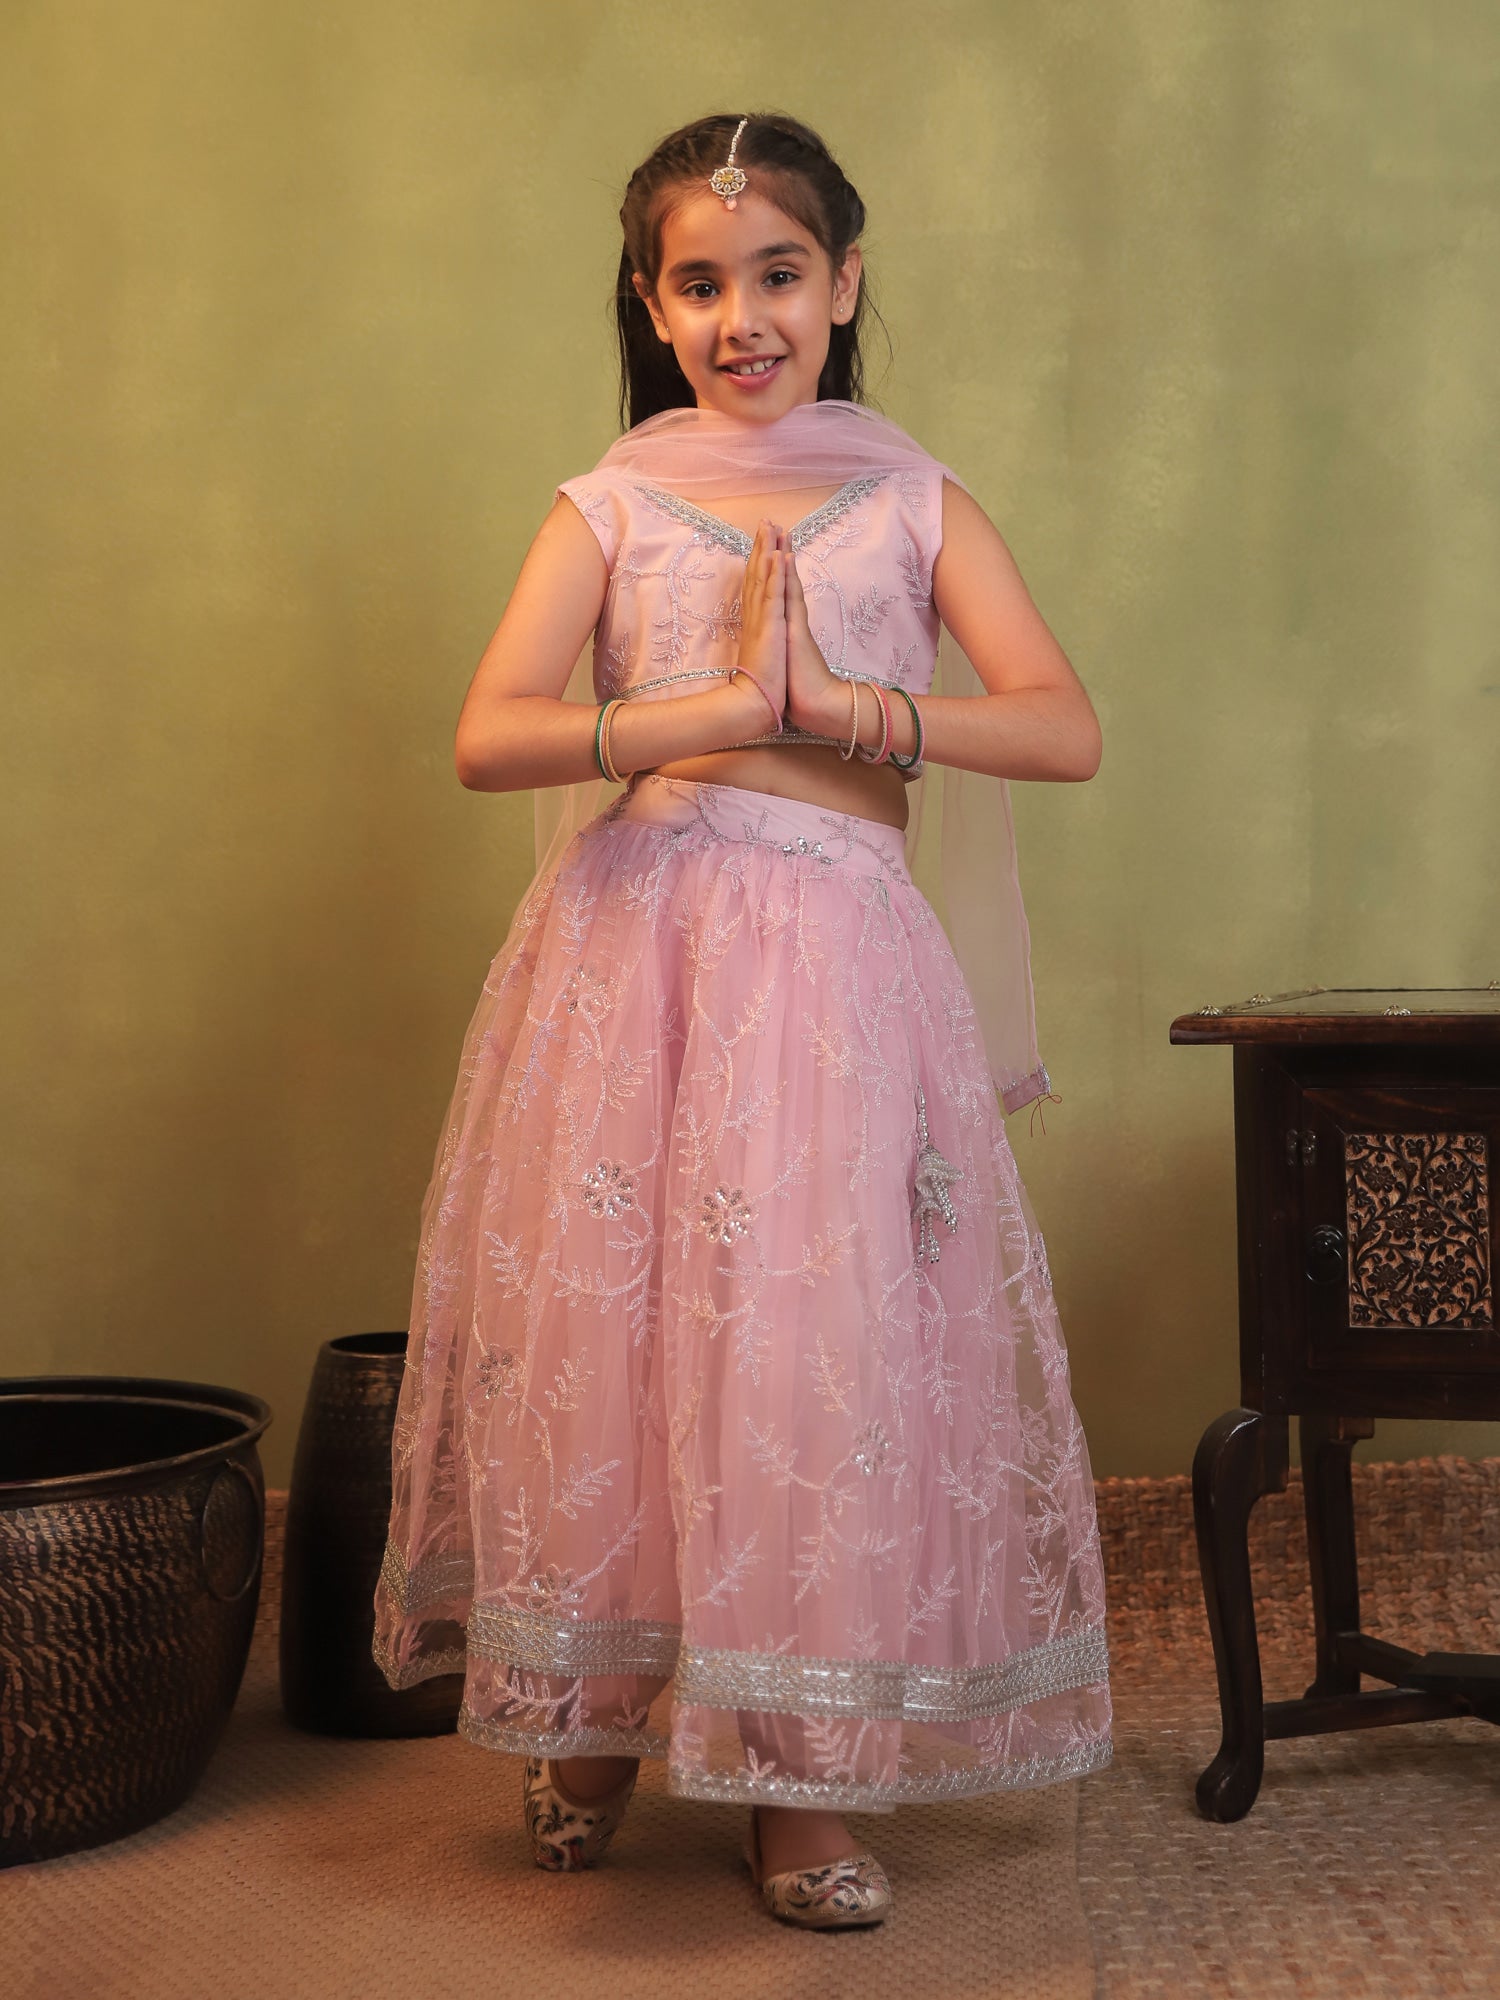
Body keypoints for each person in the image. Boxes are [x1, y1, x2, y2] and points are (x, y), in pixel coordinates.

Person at [373, 110, 1113, 1931]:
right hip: (642, 955)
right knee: (627, 1333)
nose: (742, 317)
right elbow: (489, 734)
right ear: (652, 303)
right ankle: (600, 1716)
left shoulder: (918, 500)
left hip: (840, 974)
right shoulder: (609, 505)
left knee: (805, 1341)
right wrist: (701, 710)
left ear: (844, 285)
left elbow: (1059, 724)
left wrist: (849, 709)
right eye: (699, 284)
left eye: (778, 274)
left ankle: (796, 1774)